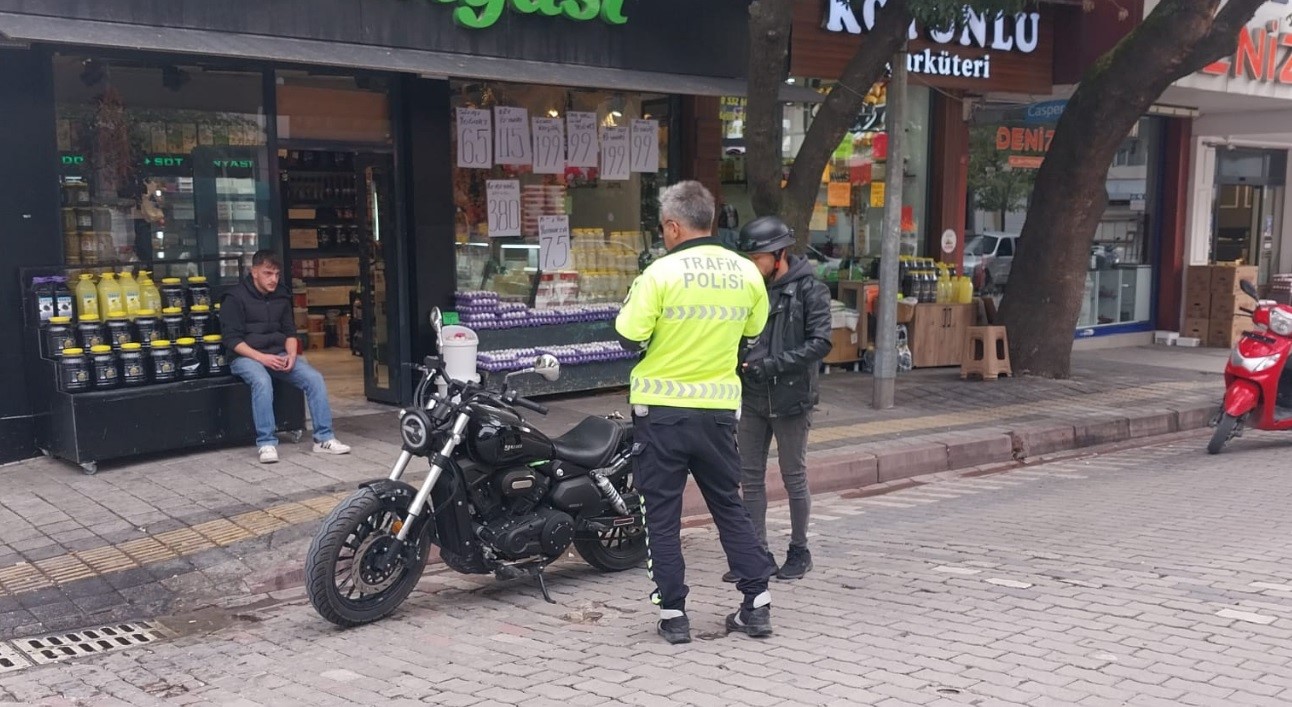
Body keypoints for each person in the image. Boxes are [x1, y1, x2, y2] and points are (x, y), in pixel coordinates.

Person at [615, 180, 775, 645]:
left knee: (661, 514)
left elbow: (629, 335)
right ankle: (756, 605)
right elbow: (753, 335)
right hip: (719, 412)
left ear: (672, 225)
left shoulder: (659, 274)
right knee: (729, 504)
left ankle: (673, 615)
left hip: (660, 414)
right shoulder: (746, 273)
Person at [724, 216, 832, 584]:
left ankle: (800, 551)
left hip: (791, 398)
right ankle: (757, 554)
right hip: (752, 396)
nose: (752, 264)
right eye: (749, 258)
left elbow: (820, 343)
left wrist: (771, 365)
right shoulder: (748, 288)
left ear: (779, 254)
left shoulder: (810, 290)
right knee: (749, 478)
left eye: (758, 258)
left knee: (793, 477)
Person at [221, 250, 351, 464]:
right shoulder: (234, 298)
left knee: (314, 378)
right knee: (261, 381)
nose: (273, 279)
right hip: (245, 357)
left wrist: (292, 355)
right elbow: (232, 341)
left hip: (278, 354)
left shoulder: (281, 294)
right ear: (254, 272)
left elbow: (290, 333)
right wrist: (262, 358)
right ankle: (266, 443)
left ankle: (324, 439)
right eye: (267, 273)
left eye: (276, 274)